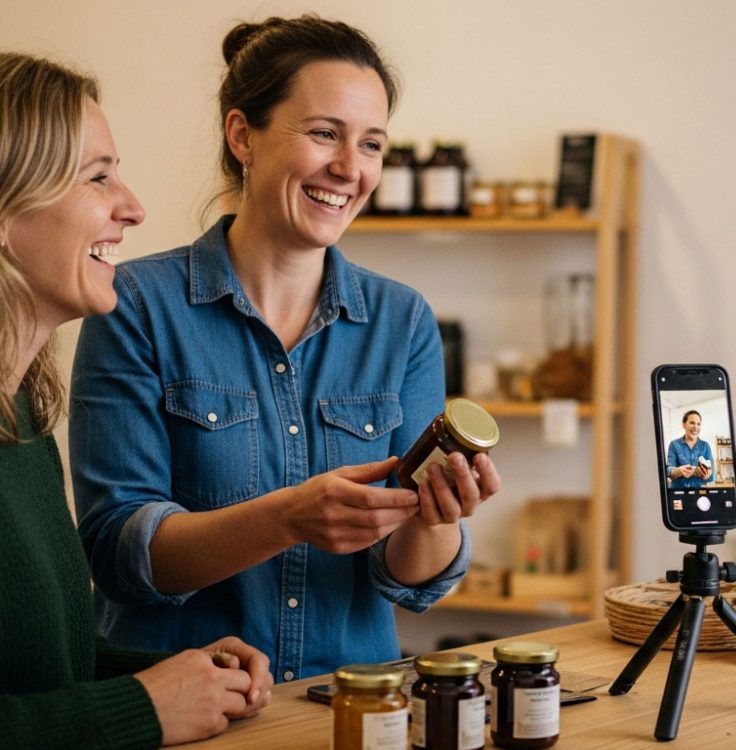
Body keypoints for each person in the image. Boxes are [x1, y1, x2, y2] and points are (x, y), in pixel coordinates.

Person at [69, 15, 501, 683]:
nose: (350, 169)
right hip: (190, 708)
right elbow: (121, 554)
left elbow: (405, 579)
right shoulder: (135, 305)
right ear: (243, 134)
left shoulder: (402, 320)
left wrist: (438, 516)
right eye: (325, 133)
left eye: (372, 144)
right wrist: (289, 517)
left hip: (352, 703)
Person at [0, 52, 271, 748]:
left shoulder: (22, 415)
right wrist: (141, 710)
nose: (133, 206)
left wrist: (180, 678)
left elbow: (43, 671)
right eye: (98, 176)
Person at [666, 410, 714, 488]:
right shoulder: (674, 444)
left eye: (698, 424)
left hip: (699, 494)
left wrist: (706, 474)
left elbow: (711, 476)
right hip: (678, 493)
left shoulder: (705, 446)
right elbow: (668, 470)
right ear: (684, 425)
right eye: (692, 423)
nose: (696, 427)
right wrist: (678, 471)